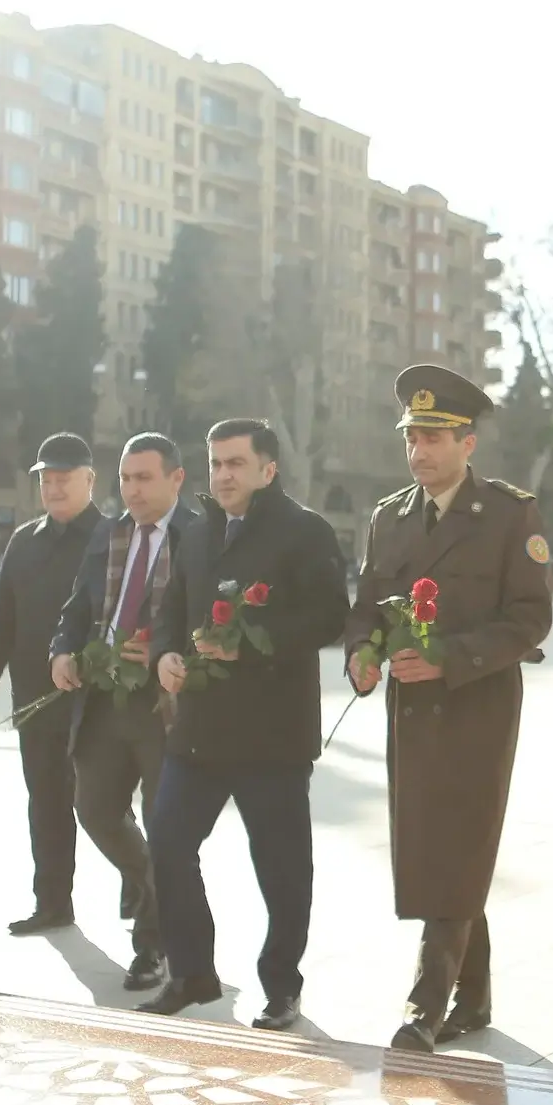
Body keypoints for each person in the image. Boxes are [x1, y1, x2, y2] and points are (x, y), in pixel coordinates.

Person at [344, 366, 553, 1053]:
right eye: (412, 437)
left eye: (433, 437)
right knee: (442, 849)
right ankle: (477, 994)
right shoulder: (389, 516)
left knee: (458, 844)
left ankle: (424, 1005)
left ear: (467, 443)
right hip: (409, 711)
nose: (420, 451)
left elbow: (530, 620)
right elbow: (369, 608)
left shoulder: (507, 514)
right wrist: (362, 655)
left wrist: (449, 657)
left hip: (477, 706)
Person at [145, 419, 350, 1030]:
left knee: (282, 867)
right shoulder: (200, 533)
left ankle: (282, 986)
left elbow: (330, 617)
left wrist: (255, 649)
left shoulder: (305, 531)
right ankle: (192, 971)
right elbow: (170, 613)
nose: (224, 475)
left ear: (268, 469)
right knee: (168, 841)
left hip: (273, 735)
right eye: (216, 463)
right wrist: (165, 657)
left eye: (236, 463)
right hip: (200, 729)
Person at [48, 433, 194, 991]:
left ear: (176, 479)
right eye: (126, 479)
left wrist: (164, 646)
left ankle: (152, 946)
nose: (132, 490)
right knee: (95, 809)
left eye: (144, 478)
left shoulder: (197, 537)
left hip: (164, 705)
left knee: (164, 826)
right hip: (104, 697)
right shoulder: (110, 535)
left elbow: (210, 612)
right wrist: (62, 649)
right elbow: (77, 606)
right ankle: (157, 893)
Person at [0, 433, 107, 937]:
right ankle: (52, 902)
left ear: (90, 480)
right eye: (46, 479)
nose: (53, 487)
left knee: (104, 807)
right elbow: (0, 616)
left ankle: (144, 897)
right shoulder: (24, 540)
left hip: (99, 698)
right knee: (45, 801)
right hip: (34, 696)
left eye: (64, 478)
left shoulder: (114, 538)